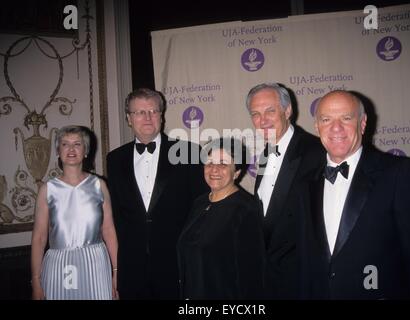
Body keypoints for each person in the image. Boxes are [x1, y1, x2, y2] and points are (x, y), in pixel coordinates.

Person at [309, 90, 410, 299]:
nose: (336, 127)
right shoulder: (306, 182)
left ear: (362, 123)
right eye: (326, 119)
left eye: (346, 118)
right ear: (317, 127)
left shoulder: (402, 173)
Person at [106, 88, 207, 299]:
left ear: (161, 116)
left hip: (176, 263)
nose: (148, 117)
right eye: (140, 112)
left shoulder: (188, 152)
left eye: (153, 111)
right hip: (132, 266)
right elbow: (116, 215)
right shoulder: (115, 159)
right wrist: (116, 268)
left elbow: (201, 210)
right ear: (128, 119)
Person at [246, 83, 324, 299]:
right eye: (256, 114)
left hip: (303, 279)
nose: (263, 120)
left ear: (287, 110)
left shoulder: (316, 152)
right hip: (270, 280)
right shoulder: (264, 155)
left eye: (270, 111)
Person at [30, 125, 118, 300]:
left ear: (85, 151)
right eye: (65, 144)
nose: (71, 149)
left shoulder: (99, 185)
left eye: (77, 144)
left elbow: (109, 231)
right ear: (58, 151)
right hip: (60, 265)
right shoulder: (47, 189)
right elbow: (39, 238)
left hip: (95, 262)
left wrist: (116, 274)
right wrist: (36, 281)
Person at [177, 137, 265, 299]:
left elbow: (252, 278)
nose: (214, 169)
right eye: (210, 162)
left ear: (237, 172)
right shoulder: (199, 203)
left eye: (223, 164)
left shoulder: (246, 210)